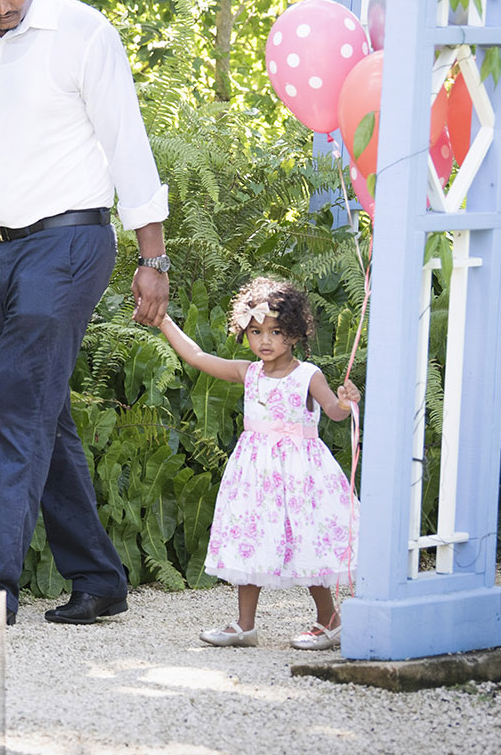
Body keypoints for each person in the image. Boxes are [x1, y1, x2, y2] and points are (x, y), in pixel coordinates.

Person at [0, 0, 172, 626]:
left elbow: (128, 146)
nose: (2, 8)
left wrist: (152, 258)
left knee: (16, 413)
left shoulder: (83, 32)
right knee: (40, 411)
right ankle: (98, 577)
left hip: (68, 247)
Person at [148, 276, 360, 650]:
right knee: (252, 539)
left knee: (307, 541)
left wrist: (345, 401)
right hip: (255, 473)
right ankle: (245, 625)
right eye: (256, 331)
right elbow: (197, 356)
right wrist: (164, 321)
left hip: (300, 475)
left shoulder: (308, 375)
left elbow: (333, 412)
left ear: (294, 333)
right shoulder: (249, 373)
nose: (264, 341)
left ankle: (330, 620)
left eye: (275, 331)